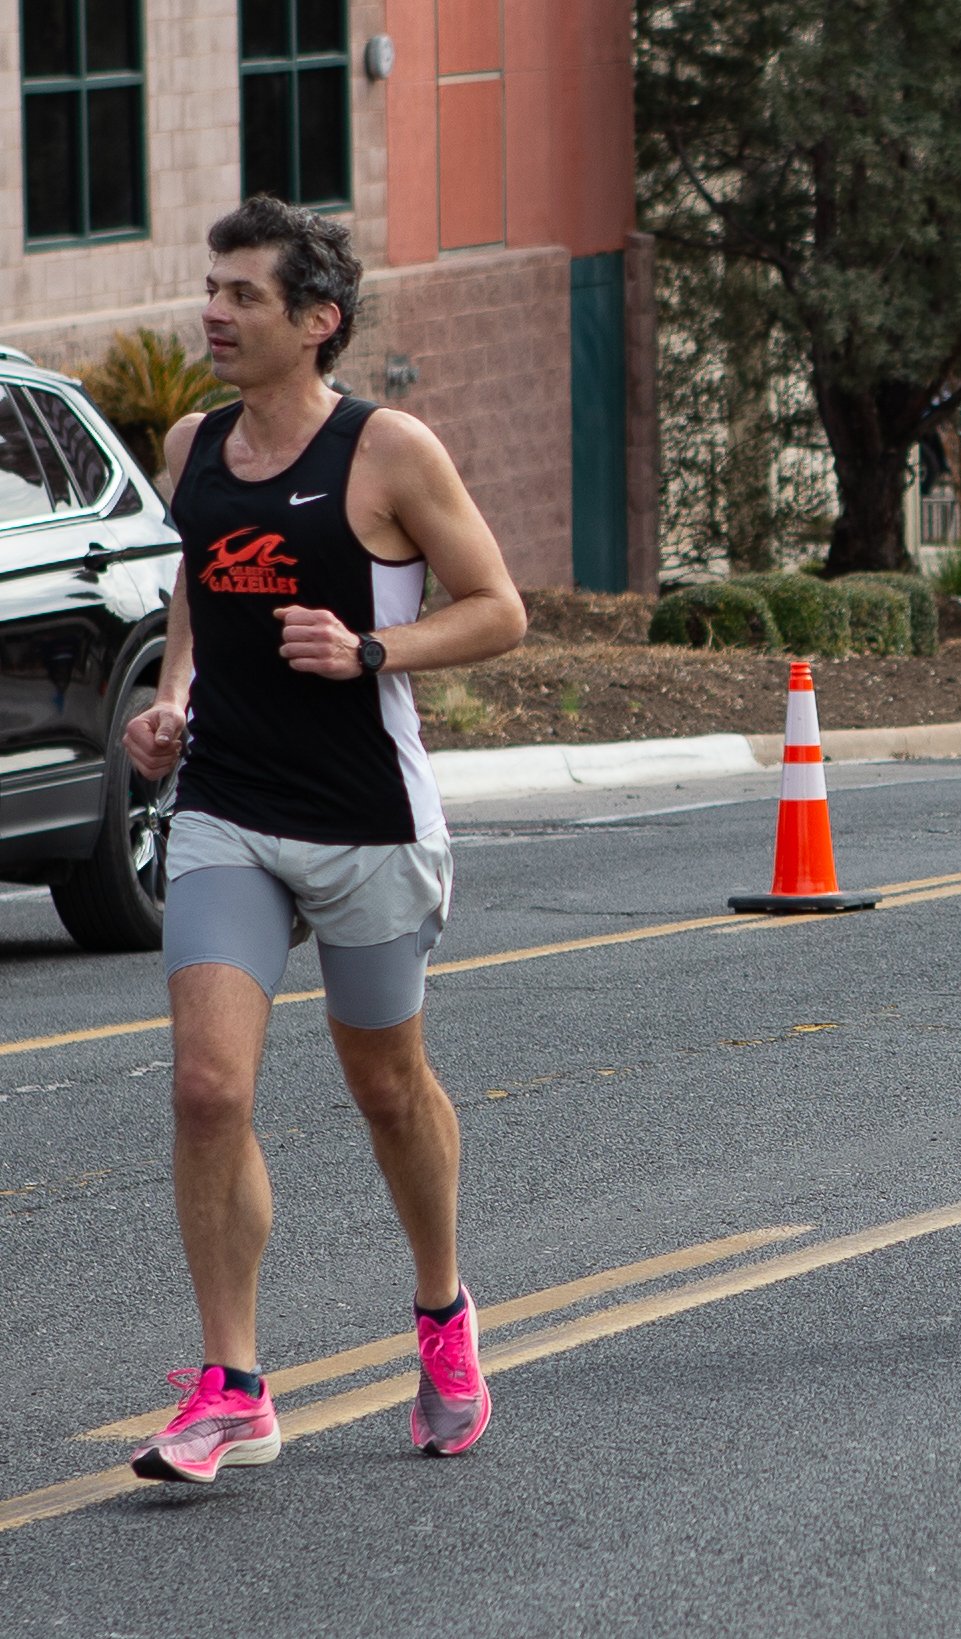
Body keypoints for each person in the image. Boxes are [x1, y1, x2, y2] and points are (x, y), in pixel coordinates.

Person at [121, 196, 527, 1481]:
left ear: (317, 320)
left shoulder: (387, 451)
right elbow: (201, 575)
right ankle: (232, 1382)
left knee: (386, 1086)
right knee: (207, 1087)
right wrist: (173, 699)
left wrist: (371, 650)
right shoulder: (192, 444)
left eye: (243, 295)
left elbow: (500, 609)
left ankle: (443, 1308)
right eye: (213, 288)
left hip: (366, 820)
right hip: (229, 807)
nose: (214, 312)